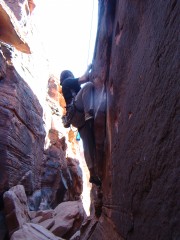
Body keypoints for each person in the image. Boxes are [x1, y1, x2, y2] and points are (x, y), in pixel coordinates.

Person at [60, 65, 101, 186]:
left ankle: (93, 173)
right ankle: (89, 114)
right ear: (68, 76)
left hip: (77, 119)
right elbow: (84, 79)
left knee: (88, 144)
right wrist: (89, 67)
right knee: (88, 86)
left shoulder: (71, 87)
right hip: (78, 112)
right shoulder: (67, 82)